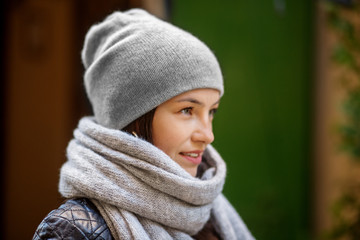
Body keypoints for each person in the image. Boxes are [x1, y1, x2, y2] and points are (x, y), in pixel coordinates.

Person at [33, 8, 255, 240]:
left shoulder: (207, 208)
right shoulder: (73, 231)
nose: (207, 135)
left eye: (212, 112)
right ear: (133, 119)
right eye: (187, 110)